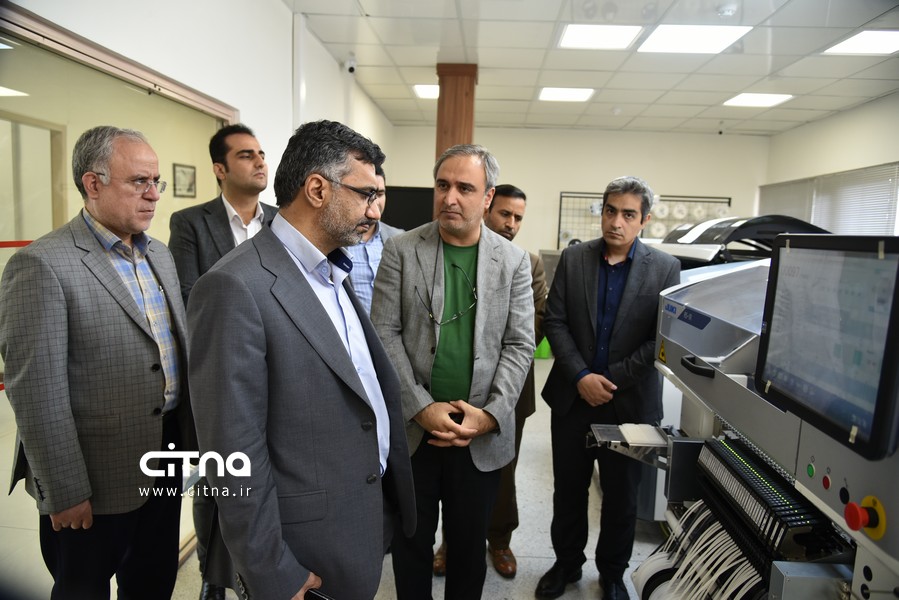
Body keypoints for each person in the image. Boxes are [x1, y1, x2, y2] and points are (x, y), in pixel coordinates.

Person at [186, 119, 416, 600]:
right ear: (317, 189)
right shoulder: (234, 287)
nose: (375, 210)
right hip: (301, 550)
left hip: (359, 517)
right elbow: (232, 453)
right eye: (366, 194)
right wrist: (272, 572)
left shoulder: (332, 270)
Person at [0, 125, 195, 599]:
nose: (154, 195)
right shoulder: (42, 264)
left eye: (156, 182)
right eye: (139, 182)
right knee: (82, 588)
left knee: (152, 582)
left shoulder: (159, 254)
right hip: (92, 476)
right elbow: (36, 393)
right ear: (93, 183)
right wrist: (64, 491)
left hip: (163, 457)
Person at [371, 145, 535, 599]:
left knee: (467, 551)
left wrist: (491, 414)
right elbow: (383, 333)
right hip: (415, 432)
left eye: (465, 188)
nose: (450, 198)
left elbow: (519, 344)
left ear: (488, 196)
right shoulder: (402, 249)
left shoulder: (513, 261)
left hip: (477, 436)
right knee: (411, 545)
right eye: (443, 185)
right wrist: (421, 407)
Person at [536, 176, 680, 600]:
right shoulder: (574, 258)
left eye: (628, 214)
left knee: (622, 497)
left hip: (629, 403)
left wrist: (610, 379)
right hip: (573, 399)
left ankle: (613, 574)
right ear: (602, 212)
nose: (617, 222)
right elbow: (556, 321)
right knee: (568, 491)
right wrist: (581, 376)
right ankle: (566, 564)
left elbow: (660, 338)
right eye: (610, 211)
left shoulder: (665, 267)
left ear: (644, 220)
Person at [167, 123, 277, 600]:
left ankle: (263, 572)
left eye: (261, 153)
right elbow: (190, 296)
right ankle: (213, 579)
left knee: (268, 478)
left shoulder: (281, 222)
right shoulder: (191, 223)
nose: (260, 162)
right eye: (246, 155)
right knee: (217, 482)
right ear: (220, 168)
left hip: (275, 372)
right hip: (218, 375)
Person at [432, 183, 548, 580]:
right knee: (451, 468)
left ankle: (499, 540)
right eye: (505, 214)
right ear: (486, 207)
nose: (511, 223)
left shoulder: (528, 263)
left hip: (508, 391)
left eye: (518, 218)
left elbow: (533, 326)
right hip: (455, 385)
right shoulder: (451, 255)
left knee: (502, 470)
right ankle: (451, 541)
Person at [344, 164, 404, 313]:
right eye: (367, 194)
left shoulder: (400, 238)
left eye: (380, 194)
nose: (375, 202)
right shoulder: (338, 240)